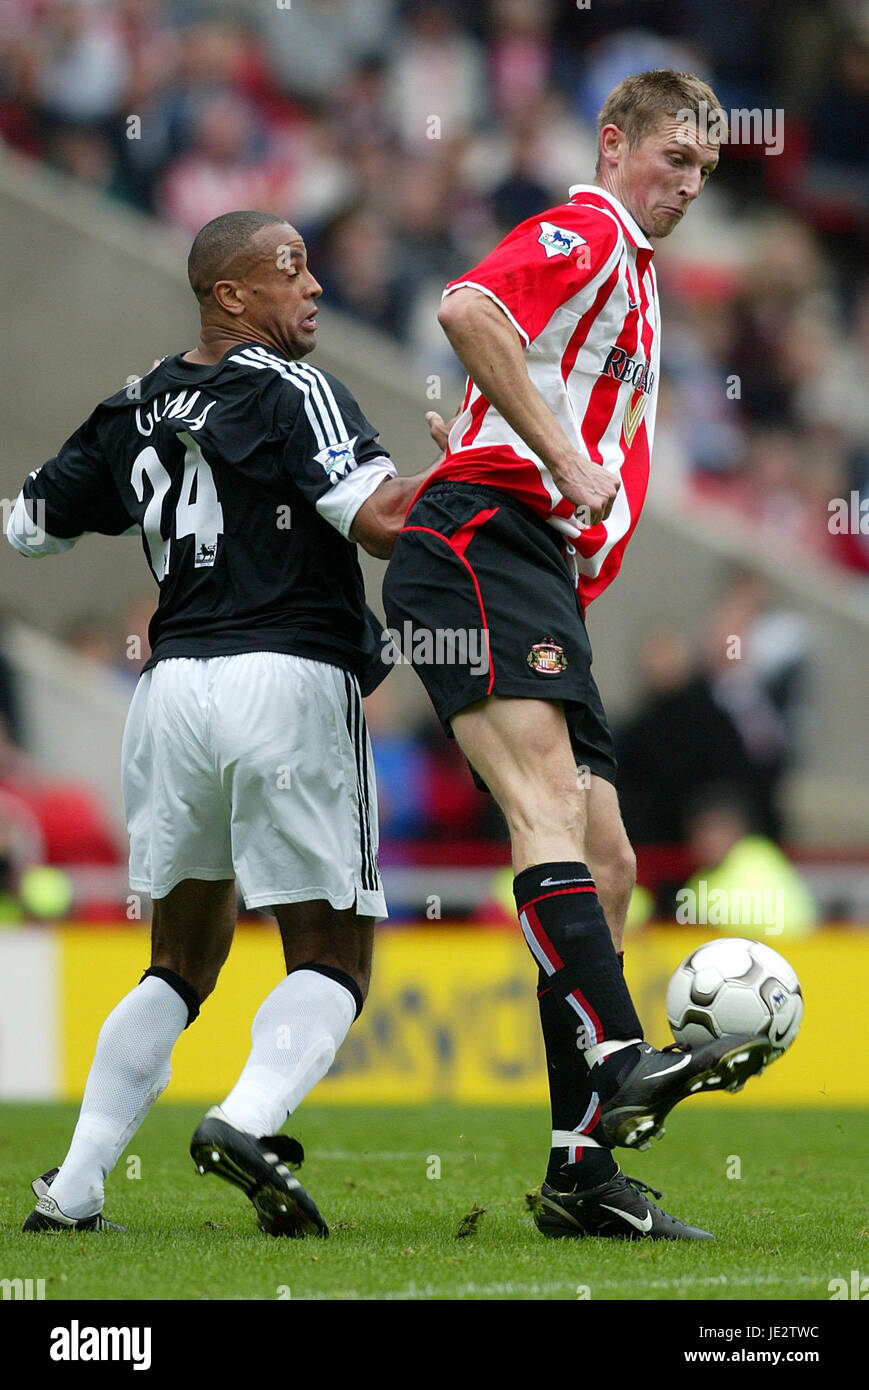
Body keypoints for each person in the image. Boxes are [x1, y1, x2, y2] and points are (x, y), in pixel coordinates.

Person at [383, 70, 772, 1241]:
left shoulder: (637, 277)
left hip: (531, 569)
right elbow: (465, 309)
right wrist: (555, 455)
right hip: (481, 546)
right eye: (671, 158)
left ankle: (579, 1173)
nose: (688, 184)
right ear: (612, 144)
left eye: (704, 170)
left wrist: (511, 431)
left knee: (605, 861)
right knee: (548, 804)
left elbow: (505, 355)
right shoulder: (589, 226)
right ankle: (613, 1051)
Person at [8, 209, 428, 1238]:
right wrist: (479, 471)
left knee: (178, 960)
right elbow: (378, 523)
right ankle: (244, 1120)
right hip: (285, 680)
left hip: (170, 692)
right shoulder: (294, 388)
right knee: (330, 956)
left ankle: (74, 1186)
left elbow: (29, 528)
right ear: (229, 295)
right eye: (290, 271)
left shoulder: (135, 399)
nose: (313, 288)